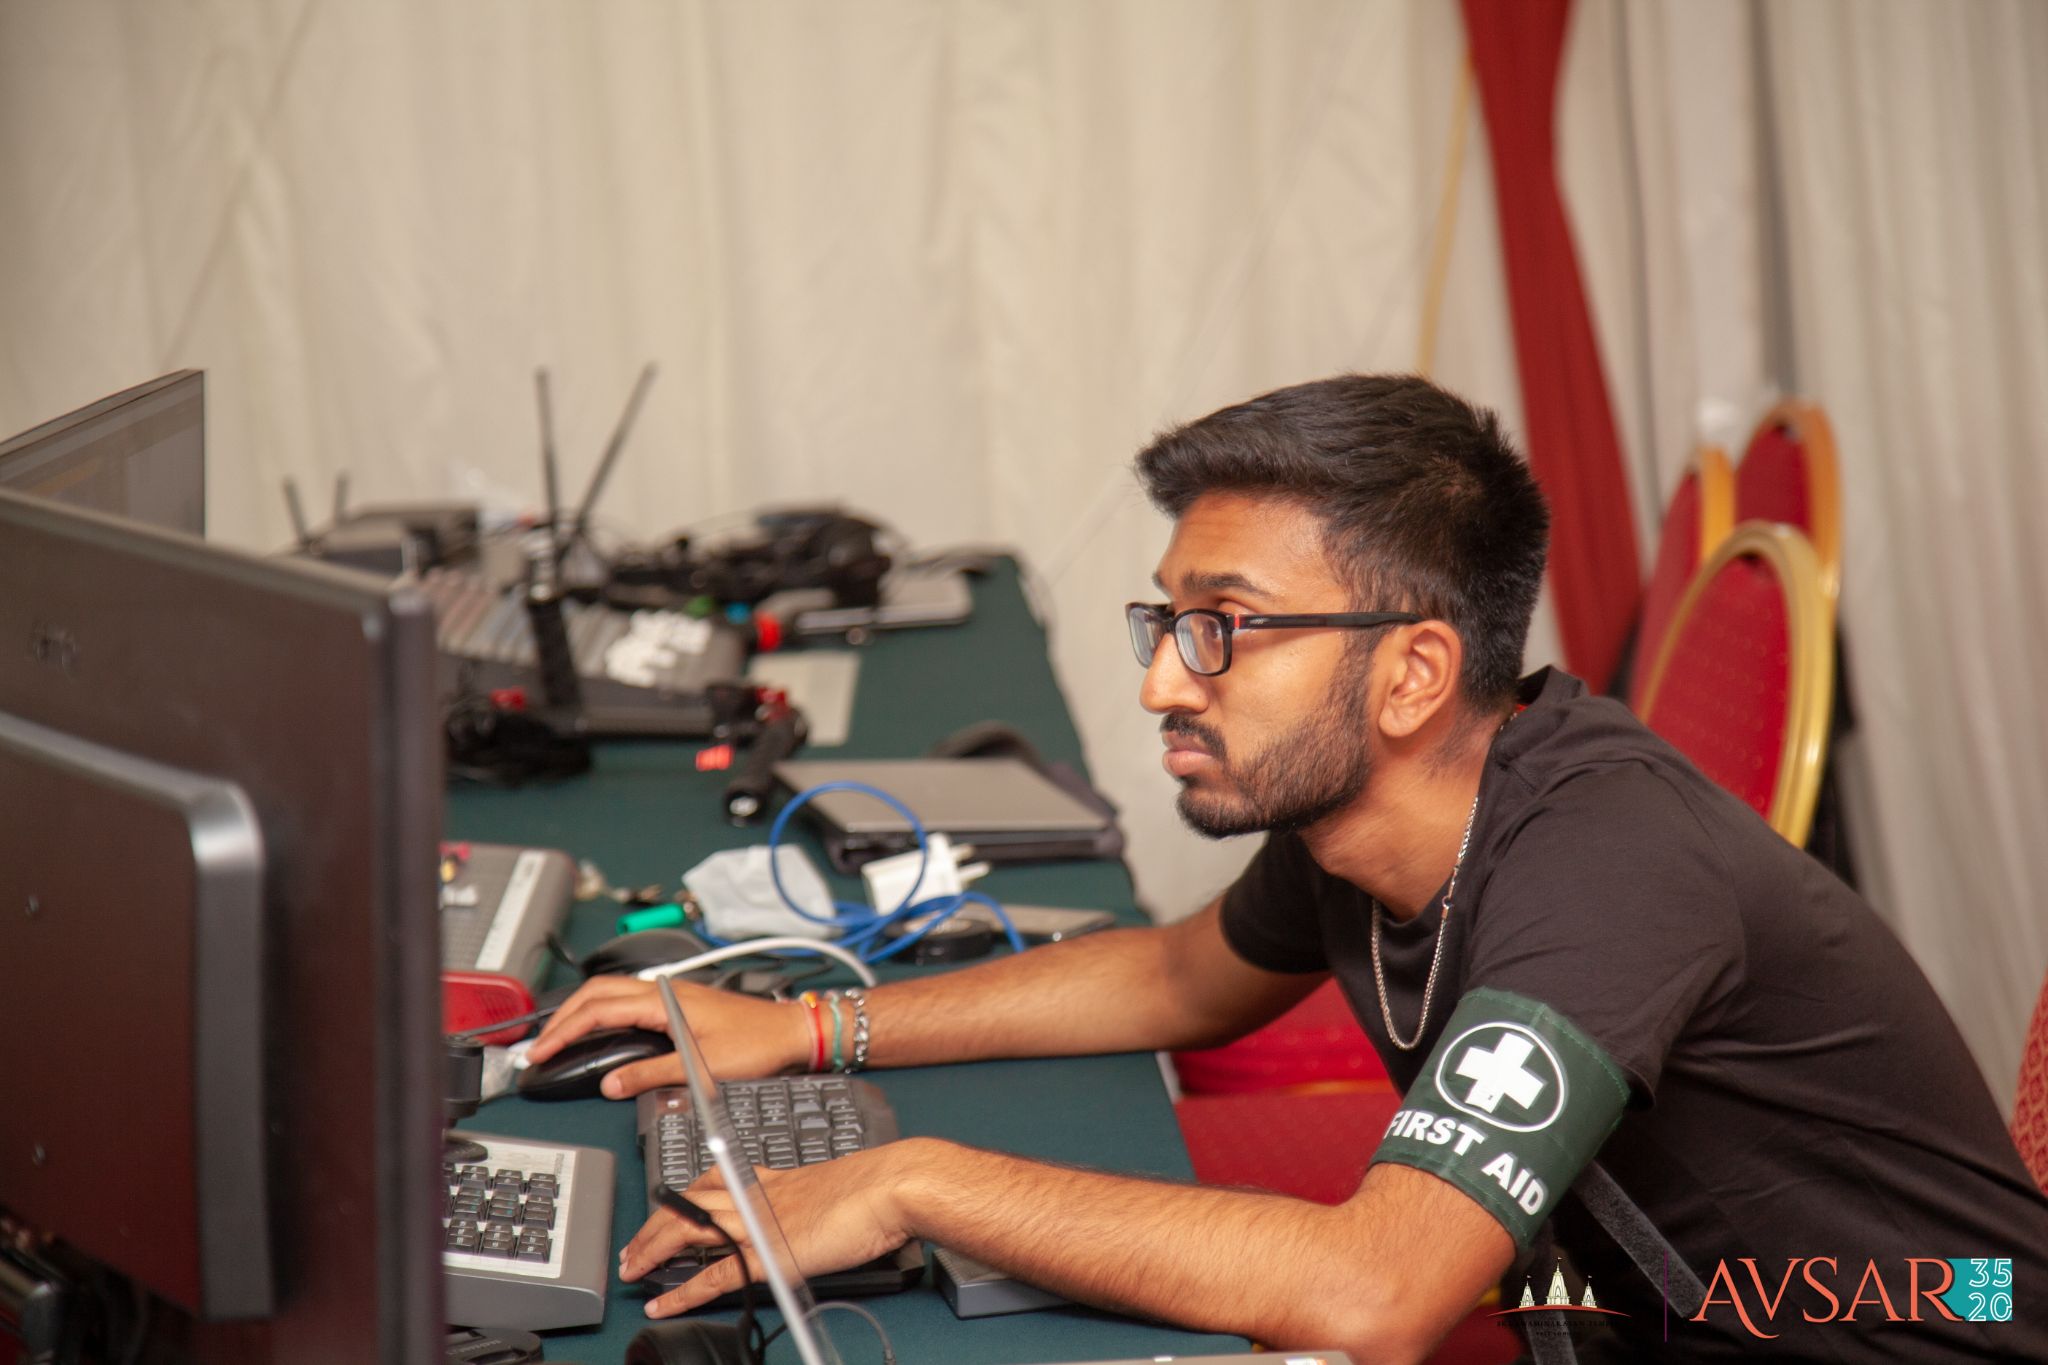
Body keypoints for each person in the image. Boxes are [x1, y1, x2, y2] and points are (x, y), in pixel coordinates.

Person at [526, 375, 2048, 1361]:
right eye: (1165, 620)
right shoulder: (1378, 808)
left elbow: (1376, 1294)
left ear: (1410, 673)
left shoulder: (1605, 870)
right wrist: (798, 1028)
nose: (1164, 685)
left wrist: (916, 1178)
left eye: (1225, 627)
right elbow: (1183, 972)